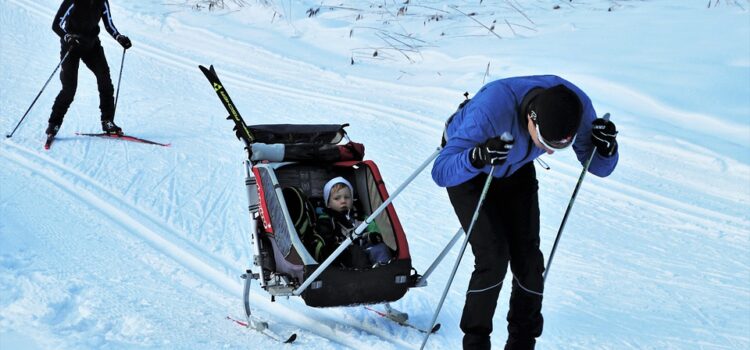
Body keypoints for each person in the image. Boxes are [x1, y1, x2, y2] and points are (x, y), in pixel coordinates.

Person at [432, 76, 619, 350]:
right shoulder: (490, 110)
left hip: (515, 168)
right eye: (545, 142)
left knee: (529, 261)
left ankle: (522, 343)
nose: (549, 153)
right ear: (532, 118)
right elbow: (441, 171)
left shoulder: (575, 108)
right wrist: (477, 157)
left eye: (558, 147)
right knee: (494, 257)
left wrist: (606, 149)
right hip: (471, 168)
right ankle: (476, 342)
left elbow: (599, 167)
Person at [46, 0, 132, 138]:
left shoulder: (102, 1)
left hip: (91, 46)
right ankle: (54, 124)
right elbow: (56, 25)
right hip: (72, 46)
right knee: (69, 89)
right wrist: (67, 37)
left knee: (105, 81)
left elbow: (109, 25)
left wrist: (119, 37)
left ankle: (107, 121)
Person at [314, 177, 391, 268]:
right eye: (337, 198)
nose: (343, 201)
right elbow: (326, 242)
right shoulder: (327, 220)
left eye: (347, 197)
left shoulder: (361, 216)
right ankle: (366, 274)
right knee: (355, 251)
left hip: (365, 247)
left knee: (381, 248)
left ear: (352, 199)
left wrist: (373, 236)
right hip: (343, 255)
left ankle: (384, 269)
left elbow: (374, 230)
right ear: (328, 204)